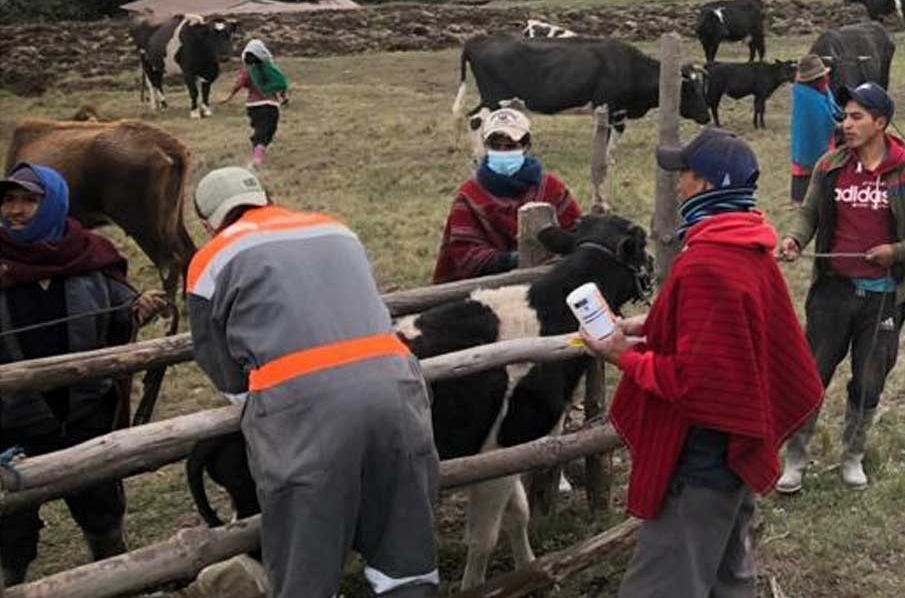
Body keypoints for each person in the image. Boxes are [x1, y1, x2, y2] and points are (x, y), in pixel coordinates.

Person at [581, 128, 824, 598]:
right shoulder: (750, 247)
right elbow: (728, 334)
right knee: (728, 580)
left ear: (709, 184)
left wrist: (622, 355)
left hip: (701, 459)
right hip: (736, 447)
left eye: (685, 173)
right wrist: (651, 325)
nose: (677, 183)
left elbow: (694, 382)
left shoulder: (706, 262)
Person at [187, 167, 439, 598]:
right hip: (398, 389)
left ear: (208, 221)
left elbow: (218, 361)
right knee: (404, 544)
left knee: (307, 555)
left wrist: (255, 403)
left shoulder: (210, 261)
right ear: (266, 197)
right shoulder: (337, 229)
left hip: (305, 412)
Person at [0, 163, 167, 586]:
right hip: (12, 425)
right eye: (9, 200)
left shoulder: (89, 254)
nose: (15, 210)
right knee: (11, 526)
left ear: (53, 204)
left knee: (101, 511)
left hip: (84, 415)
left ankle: (115, 579)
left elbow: (117, 312)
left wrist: (136, 310)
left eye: (28, 200)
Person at [776, 82, 905, 492]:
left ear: (880, 123)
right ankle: (795, 459)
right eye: (845, 116)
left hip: (883, 295)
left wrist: (899, 251)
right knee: (812, 375)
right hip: (832, 292)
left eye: (857, 117)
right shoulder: (830, 166)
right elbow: (809, 212)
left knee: (869, 379)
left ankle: (852, 455)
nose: (846, 124)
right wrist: (795, 239)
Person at [433, 107, 582, 283]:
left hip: (549, 280)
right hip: (488, 285)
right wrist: (513, 260)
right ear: (486, 147)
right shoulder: (470, 195)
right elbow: (466, 254)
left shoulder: (551, 188)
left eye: (510, 146)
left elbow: (576, 235)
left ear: (526, 146)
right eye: (495, 146)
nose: (503, 152)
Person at [220, 39, 288, 169]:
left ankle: (257, 152)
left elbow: (239, 84)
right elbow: (281, 83)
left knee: (259, 129)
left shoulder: (247, 70)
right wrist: (283, 96)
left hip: (252, 107)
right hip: (270, 105)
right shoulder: (270, 68)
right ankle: (257, 158)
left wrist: (229, 97)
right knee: (267, 131)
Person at [789, 53, 843, 203]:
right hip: (811, 161)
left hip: (808, 157)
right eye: (823, 76)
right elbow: (827, 126)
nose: (827, 78)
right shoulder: (810, 100)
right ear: (815, 80)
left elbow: (835, 113)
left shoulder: (819, 92)